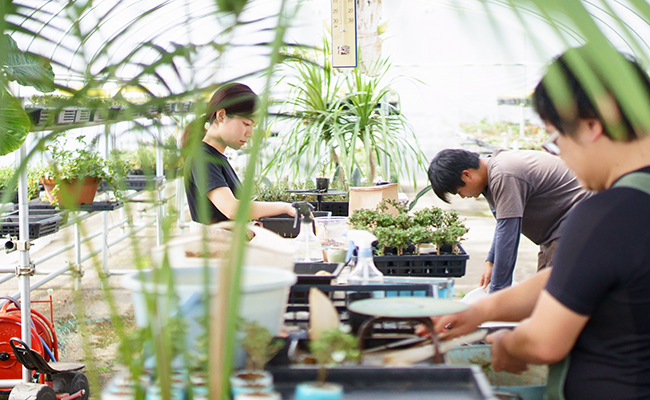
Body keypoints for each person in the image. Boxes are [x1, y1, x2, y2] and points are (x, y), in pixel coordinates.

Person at [434, 46, 650, 399]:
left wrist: (506, 341)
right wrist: (482, 309)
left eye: (555, 138)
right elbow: (578, 275)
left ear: (591, 126)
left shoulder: (605, 214)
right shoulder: (631, 211)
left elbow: (544, 341)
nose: (559, 153)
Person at [428, 148, 591, 292]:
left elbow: (508, 235)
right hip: (559, 230)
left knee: (555, 295)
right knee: (542, 294)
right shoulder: (492, 173)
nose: (463, 196)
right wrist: (491, 261)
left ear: (467, 174)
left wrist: (496, 293)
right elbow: (502, 225)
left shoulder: (504, 174)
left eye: (459, 191)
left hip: (578, 225)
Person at [182, 83, 294, 225]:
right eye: (246, 124)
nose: (250, 133)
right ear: (221, 115)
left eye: (253, 126)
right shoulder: (203, 158)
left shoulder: (216, 158)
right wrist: (284, 207)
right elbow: (231, 209)